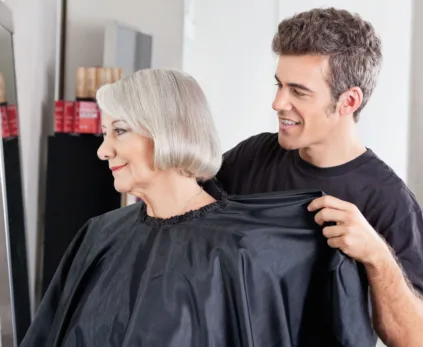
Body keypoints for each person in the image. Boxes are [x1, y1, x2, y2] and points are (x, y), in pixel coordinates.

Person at [20, 68, 376, 347]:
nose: (103, 150)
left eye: (119, 131)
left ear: (166, 131)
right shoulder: (98, 237)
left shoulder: (243, 251)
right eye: (104, 133)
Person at [213, 7, 423, 347]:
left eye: (298, 92)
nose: (278, 102)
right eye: (279, 85)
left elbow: (414, 339)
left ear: (348, 101)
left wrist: (376, 255)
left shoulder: (390, 201)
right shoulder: (252, 157)